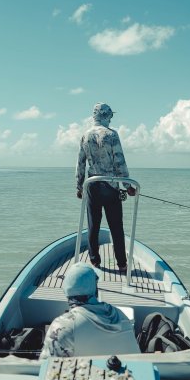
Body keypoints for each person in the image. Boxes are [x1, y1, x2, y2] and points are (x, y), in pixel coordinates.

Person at [76, 102, 136, 271]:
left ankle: (94, 260)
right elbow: (119, 161)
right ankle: (122, 264)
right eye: (110, 116)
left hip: (92, 185)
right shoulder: (112, 135)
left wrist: (79, 187)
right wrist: (128, 185)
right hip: (111, 186)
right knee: (116, 226)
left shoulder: (85, 135)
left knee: (93, 225)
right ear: (106, 116)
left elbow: (80, 163)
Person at [40, 262, 139, 359]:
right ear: (95, 289)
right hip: (131, 373)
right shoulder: (120, 315)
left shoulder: (64, 325)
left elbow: (46, 368)